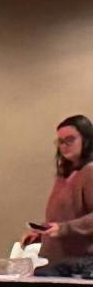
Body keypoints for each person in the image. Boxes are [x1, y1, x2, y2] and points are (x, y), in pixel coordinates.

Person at [23, 115, 93, 273]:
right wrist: (42, 231)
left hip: (78, 265)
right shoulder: (65, 175)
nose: (64, 146)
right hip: (58, 261)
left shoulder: (90, 171)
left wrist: (63, 228)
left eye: (70, 140)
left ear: (86, 140)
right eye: (61, 142)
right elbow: (64, 217)